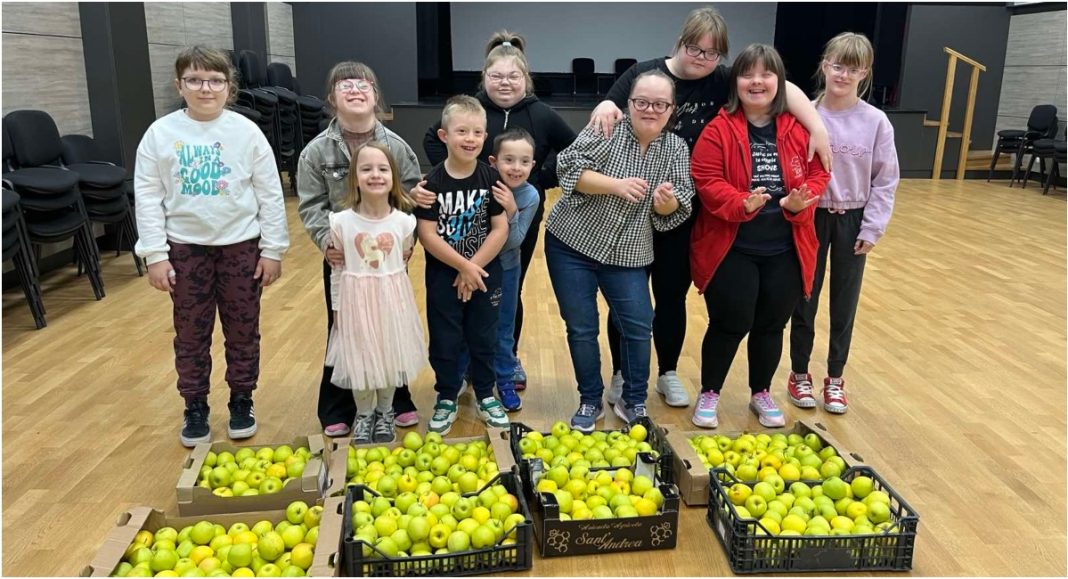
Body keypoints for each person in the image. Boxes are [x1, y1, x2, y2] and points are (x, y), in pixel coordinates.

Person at [588, 7, 832, 411]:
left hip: (684, 209)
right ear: (679, 43)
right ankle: (622, 372)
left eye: (711, 53)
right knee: (628, 298)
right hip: (630, 208)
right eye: (694, 49)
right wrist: (603, 105)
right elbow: (612, 108)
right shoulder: (645, 73)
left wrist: (819, 127)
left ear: (721, 58)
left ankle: (667, 371)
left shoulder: (723, 79)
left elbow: (782, 89)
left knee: (671, 296)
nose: (701, 59)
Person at [134, 45, 290, 447]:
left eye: (216, 80)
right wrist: (155, 254)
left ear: (228, 86)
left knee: (243, 329)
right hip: (185, 250)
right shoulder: (161, 134)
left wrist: (272, 249)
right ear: (179, 85)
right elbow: (148, 196)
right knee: (190, 333)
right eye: (195, 80)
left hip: (241, 247)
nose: (206, 88)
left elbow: (269, 194)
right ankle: (195, 405)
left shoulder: (246, 131)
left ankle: (242, 399)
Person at [422, 31, 576, 389]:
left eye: (513, 76)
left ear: (526, 79)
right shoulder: (469, 110)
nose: (505, 83)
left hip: (519, 215)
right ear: (484, 77)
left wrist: (540, 179)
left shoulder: (542, 113)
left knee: (507, 289)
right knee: (459, 287)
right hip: (462, 220)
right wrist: (449, 179)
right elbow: (434, 139)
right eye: (496, 76)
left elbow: (571, 150)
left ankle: (506, 358)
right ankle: (464, 363)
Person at [689, 44, 830, 429]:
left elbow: (819, 174)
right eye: (747, 74)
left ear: (778, 82)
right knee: (729, 323)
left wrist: (803, 202)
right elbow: (706, 180)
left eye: (766, 74)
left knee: (771, 325)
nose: (757, 82)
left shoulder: (799, 130)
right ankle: (710, 392)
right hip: (733, 247)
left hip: (785, 247)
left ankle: (760, 392)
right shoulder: (718, 129)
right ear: (735, 83)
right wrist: (741, 203)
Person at [546, 70, 694, 432]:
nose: (650, 109)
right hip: (572, 244)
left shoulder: (675, 147)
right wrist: (615, 185)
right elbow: (567, 169)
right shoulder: (605, 128)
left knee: (639, 326)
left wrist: (665, 202)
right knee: (582, 327)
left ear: (671, 109)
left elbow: (676, 209)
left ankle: (634, 400)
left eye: (660, 104)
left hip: (629, 254)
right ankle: (590, 399)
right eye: (642, 101)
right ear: (628, 103)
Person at [297, 61, 432, 437]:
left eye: (363, 84)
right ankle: (341, 405)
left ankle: (395, 402)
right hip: (344, 259)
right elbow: (311, 205)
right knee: (345, 330)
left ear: (375, 95)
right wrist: (329, 243)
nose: (355, 90)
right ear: (331, 98)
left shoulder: (397, 147)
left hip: (387, 257)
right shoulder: (315, 151)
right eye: (345, 84)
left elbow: (410, 199)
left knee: (390, 329)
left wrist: (407, 243)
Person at [787, 32, 899, 414]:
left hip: (854, 219)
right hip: (811, 216)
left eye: (853, 69)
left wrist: (873, 227)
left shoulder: (876, 121)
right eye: (837, 65)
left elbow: (886, 179)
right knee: (804, 298)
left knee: (844, 303)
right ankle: (799, 373)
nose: (843, 74)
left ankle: (835, 378)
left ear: (864, 73)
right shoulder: (805, 114)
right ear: (824, 65)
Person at [416, 95, 511, 435]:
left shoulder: (491, 178)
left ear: (485, 137)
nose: (469, 138)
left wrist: (474, 268)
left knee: (484, 335)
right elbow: (427, 235)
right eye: (461, 131)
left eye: (476, 132)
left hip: (485, 273)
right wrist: (462, 267)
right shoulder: (431, 184)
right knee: (445, 337)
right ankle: (445, 396)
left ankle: (486, 393)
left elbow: (501, 227)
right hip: (444, 275)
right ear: (444, 136)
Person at [325, 142, 428, 444]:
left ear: (394, 177)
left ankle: (385, 412)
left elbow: (404, 259)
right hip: (355, 303)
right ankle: (364, 414)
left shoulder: (404, 222)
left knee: (388, 359)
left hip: (391, 301)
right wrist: (337, 308)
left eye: (383, 169)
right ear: (354, 177)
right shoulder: (341, 222)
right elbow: (337, 270)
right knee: (361, 362)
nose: (375, 175)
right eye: (366, 168)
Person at [456, 128, 540, 411]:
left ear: (532, 165)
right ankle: (461, 375)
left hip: (507, 268)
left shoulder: (529, 196)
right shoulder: (478, 183)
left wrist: (511, 211)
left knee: (503, 328)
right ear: (493, 161)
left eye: (524, 161)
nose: (516, 168)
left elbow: (514, 240)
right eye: (509, 160)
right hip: (471, 268)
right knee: (467, 324)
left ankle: (503, 379)